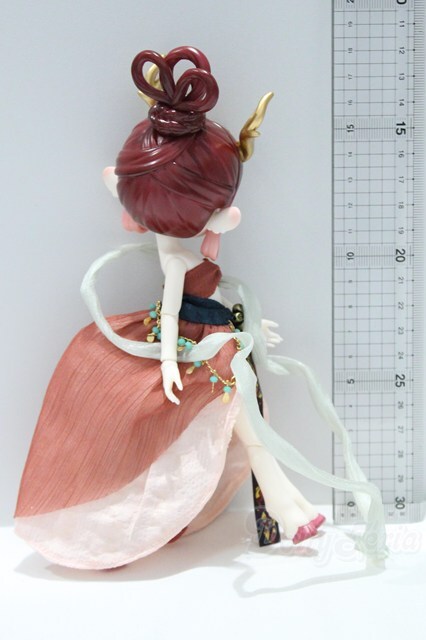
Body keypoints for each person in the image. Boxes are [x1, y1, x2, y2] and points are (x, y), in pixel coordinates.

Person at [15, 47, 386, 570]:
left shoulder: (186, 252)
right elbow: (171, 313)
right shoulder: (174, 260)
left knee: (249, 424)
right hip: (197, 348)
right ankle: (288, 507)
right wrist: (169, 361)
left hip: (216, 338)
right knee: (247, 425)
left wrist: (251, 324)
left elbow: (209, 295)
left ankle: (290, 508)